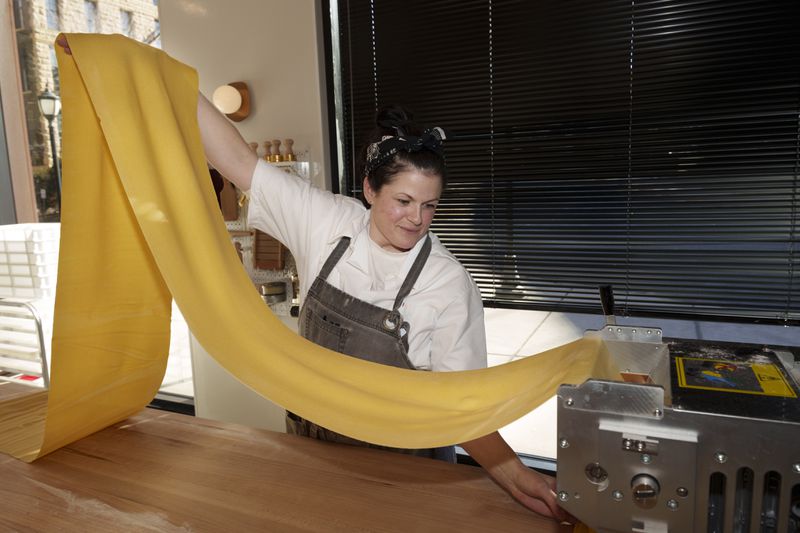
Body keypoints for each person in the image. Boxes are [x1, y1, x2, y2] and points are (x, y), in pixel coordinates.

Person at [58, 34, 570, 524]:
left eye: (430, 205)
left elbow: (464, 408)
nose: (416, 219)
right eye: (403, 201)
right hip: (310, 455)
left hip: (405, 477)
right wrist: (141, 70)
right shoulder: (326, 221)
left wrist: (519, 476)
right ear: (369, 190)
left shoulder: (446, 283)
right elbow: (236, 159)